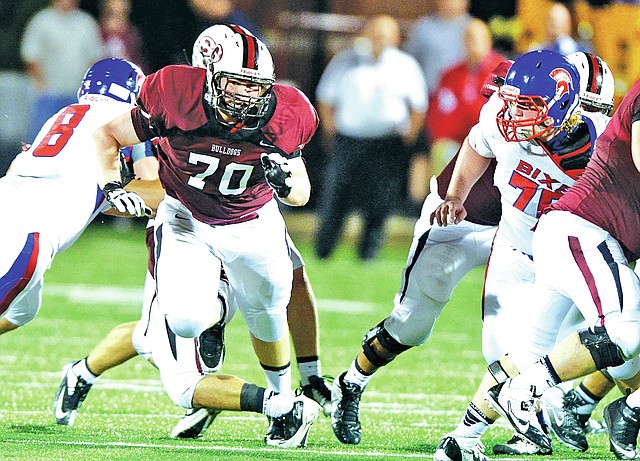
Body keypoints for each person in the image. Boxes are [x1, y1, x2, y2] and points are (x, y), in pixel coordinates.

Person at [53, 25, 333, 437]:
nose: (249, 97)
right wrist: (114, 185)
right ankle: (219, 313)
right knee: (183, 321)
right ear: (207, 75)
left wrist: (289, 185)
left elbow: (302, 192)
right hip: (186, 217)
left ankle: (284, 406)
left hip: (252, 218)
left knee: (268, 313)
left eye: (257, 87)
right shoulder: (172, 92)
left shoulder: (288, 112)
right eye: (238, 84)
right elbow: (110, 136)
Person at [484, 76, 640, 459]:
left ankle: (463, 437)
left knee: (528, 351)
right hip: (585, 232)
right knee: (627, 330)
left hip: (582, 238)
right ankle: (533, 391)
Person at [0, 58, 155, 340]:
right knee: (22, 278)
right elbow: (154, 188)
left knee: (22, 311)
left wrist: (107, 196)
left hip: (10, 196)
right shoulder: (123, 119)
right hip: (33, 228)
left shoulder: (65, 113)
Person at [314, 14, 427, 261]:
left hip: (387, 143)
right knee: (336, 197)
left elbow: (419, 104)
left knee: (380, 201)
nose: (380, 37)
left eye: (386, 33)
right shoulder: (345, 60)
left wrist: (409, 136)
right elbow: (325, 96)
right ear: (366, 32)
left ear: (396, 37)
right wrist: (331, 129)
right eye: (376, 31)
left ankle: (368, 255)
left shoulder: (406, 65)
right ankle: (323, 251)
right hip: (349, 140)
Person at [423, 18, 505, 179]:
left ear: (488, 41)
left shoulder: (503, 72)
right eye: (468, 38)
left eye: (477, 37)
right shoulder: (450, 75)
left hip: (491, 145)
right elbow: (437, 115)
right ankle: (446, 201)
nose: (472, 42)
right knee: (440, 149)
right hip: (458, 143)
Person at [20, 0, 105, 142]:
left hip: (77, 95)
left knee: (77, 141)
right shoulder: (41, 21)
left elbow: (95, 57)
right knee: (39, 140)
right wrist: (42, 86)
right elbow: (30, 56)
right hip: (48, 95)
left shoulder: (87, 23)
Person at [403, 0, 472, 97]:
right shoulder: (423, 27)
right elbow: (409, 62)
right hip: (430, 95)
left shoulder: (474, 28)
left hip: (465, 98)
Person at [98, 0, 148, 72]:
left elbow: (139, 63)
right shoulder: (95, 32)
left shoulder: (131, 35)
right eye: (112, 14)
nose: (116, 21)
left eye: (121, 15)